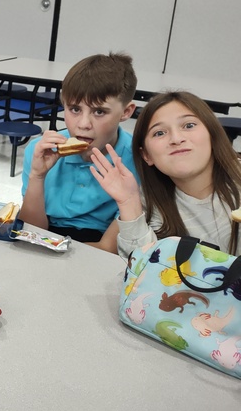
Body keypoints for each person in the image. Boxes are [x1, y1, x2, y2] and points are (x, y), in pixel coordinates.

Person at [91, 91, 241, 258]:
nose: (176, 139)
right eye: (159, 133)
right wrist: (128, 204)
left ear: (212, 135)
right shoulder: (148, 199)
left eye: (189, 125)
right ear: (146, 155)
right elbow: (142, 266)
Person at [19, 53, 138, 245]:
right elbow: (32, 230)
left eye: (99, 112)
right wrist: (37, 176)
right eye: (74, 109)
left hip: (98, 244)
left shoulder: (137, 162)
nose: (83, 124)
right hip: (45, 235)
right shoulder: (39, 150)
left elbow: (107, 249)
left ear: (126, 112)